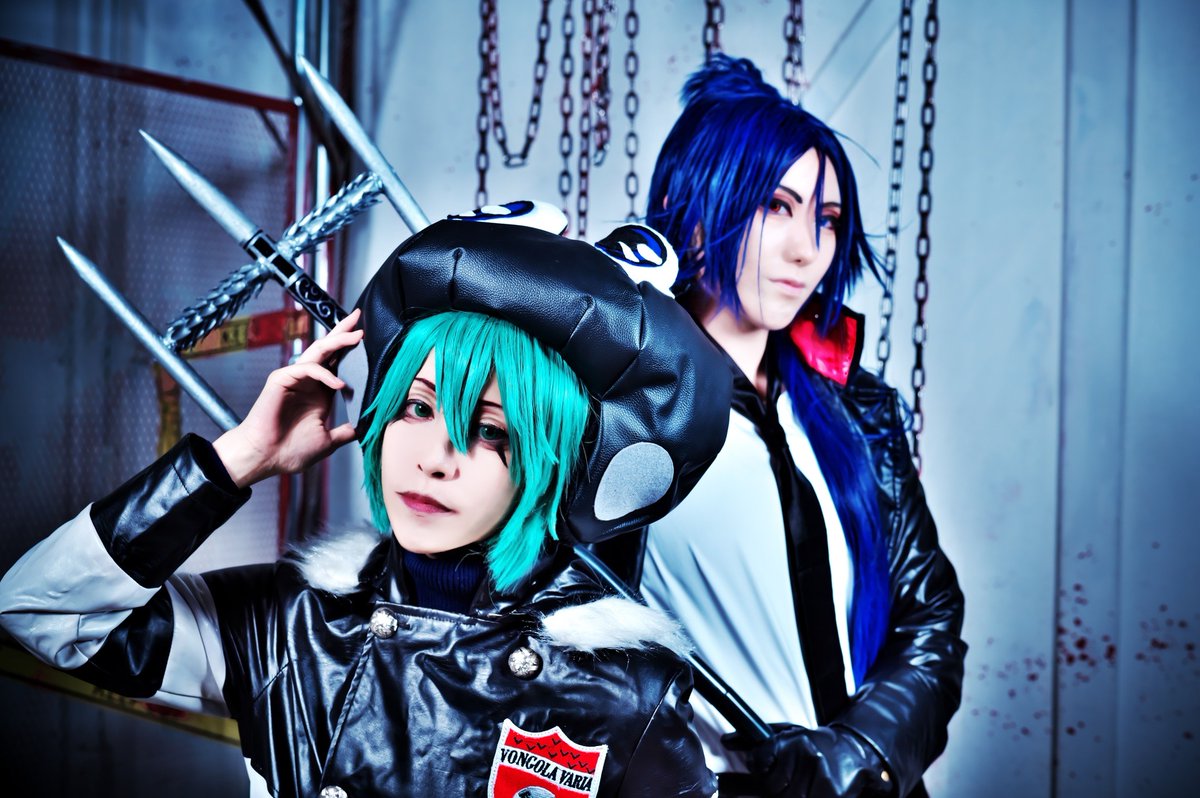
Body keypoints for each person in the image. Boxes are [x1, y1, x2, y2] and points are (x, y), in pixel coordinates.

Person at [0, 210, 734, 797]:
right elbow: (41, 609)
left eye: (490, 433)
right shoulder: (290, 627)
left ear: (552, 469)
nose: (434, 457)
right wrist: (236, 461)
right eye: (417, 407)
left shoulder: (622, 691)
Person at [599, 56, 966, 798]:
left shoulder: (855, 410)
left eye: (826, 220)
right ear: (686, 207)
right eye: (775, 206)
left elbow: (929, 617)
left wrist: (862, 750)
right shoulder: (612, 408)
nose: (808, 249)